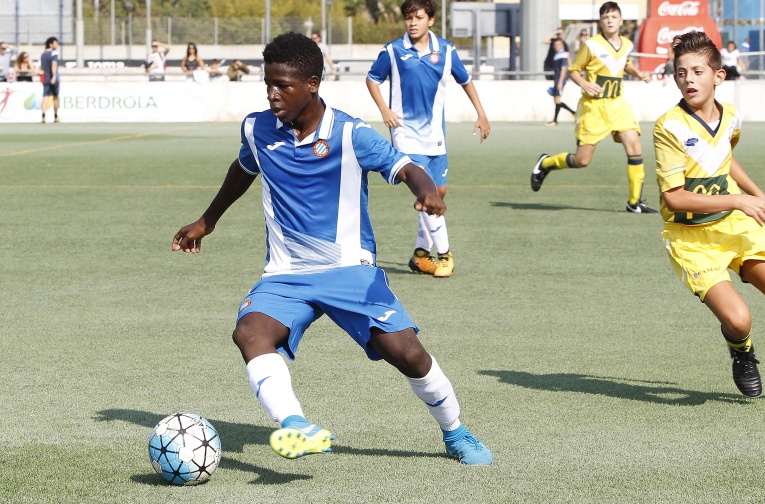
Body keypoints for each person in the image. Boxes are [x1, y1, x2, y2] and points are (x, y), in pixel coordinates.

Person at [172, 32, 493, 465]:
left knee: (410, 356)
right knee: (250, 332)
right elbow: (244, 167)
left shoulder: (350, 133)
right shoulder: (257, 128)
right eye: (267, 83)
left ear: (312, 83)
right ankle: (296, 425)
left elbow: (404, 166)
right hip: (286, 273)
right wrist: (207, 221)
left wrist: (427, 190)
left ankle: (455, 433)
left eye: (283, 85)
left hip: (349, 270)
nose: (272, 94)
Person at [653, 31, 765, 398]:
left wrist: (760, 198)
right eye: (681, 72)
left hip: (735, 228)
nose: (688, 79)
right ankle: (742, 351)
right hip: (692, 240)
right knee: (738, 319)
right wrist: (739, 201)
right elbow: (675, 199)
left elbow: (725, 159)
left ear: (719, 76)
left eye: (698, 71)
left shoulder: (731, 117)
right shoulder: (668, 126)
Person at [366, 0, 490, 278]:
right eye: (408, 18)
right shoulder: (393, 51)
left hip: (436, 137)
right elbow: (372, 79)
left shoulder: (446, 51)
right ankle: (445, 256)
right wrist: (384, 110)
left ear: (430, 20)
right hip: (406, 137)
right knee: (428, 197)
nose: (412, 23)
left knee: (437, 194)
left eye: (418, 17)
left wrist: (481, 114)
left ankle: (421, 255)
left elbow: (466, 80)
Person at [530, 2, 655, 214]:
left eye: (614, 17)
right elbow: (574, 70)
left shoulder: (626, 44)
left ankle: (634, 203)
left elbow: (625, 64)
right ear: (600, 22)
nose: (610, 20)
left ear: (621, 20)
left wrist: (638, 73)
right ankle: (547, 163)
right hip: (593, 108)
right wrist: (585, 83)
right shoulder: (591, 45)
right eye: (606, 17)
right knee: (582, 160)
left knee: (635, 146)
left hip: (617, 104)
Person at [545, 38, 576, 127]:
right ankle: (572, 114)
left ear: (562, 45)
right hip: (557, 79)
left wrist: (560, 82)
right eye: (555, 45)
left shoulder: (563, 55)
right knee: (556, 100)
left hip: (560, 79)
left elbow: (564, 68)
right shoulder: (557, 54)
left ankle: (556, 120)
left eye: (558, 44)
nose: (556, 46)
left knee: (557, 100)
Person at [40, 37, 60, 124]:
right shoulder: (54, 53)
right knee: (55, 97)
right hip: (53, 78)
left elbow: (42, 67)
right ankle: (56, 116)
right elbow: (54, 64)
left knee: (45, 97)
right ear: (51, 44)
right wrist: (54, 76)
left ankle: (43, 116)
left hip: (46, 77)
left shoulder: (43, 54)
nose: (57, 45)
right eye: (56, 43)